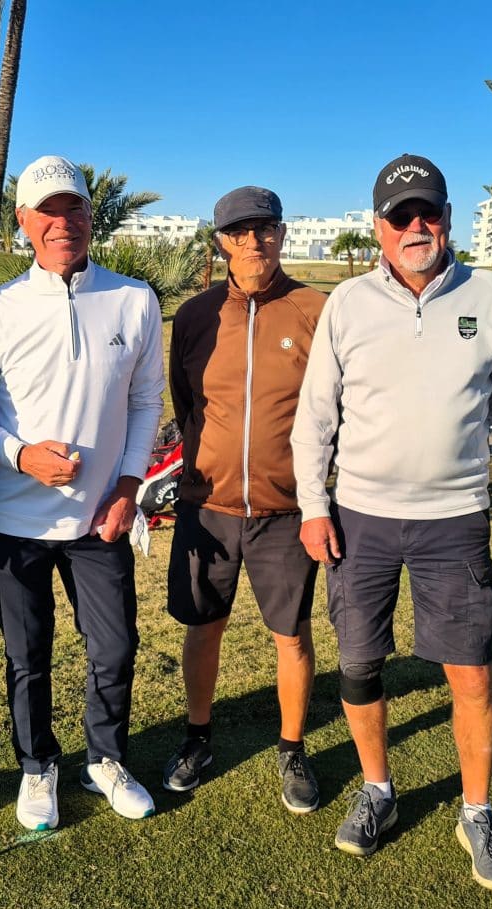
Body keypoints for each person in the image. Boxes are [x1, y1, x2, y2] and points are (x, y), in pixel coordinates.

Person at [292, 153, 492, 892]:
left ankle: (476, 810)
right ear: (379, 226)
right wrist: (313, 505)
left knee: (470, 669)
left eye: (427, 212)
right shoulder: (348, 303)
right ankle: (378, 789)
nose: (415, 227)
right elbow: (316, 416)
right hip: (361, 518)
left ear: (447, 217)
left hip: (454, 517)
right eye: (399, 215)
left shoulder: (491, 295)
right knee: (359, 663)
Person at [0, 155, 164, 831]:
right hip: (13, 518)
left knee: (114, 647)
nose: (62, 223)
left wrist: (129, 487)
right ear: (23, 221)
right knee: (27, 657)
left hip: (99, 519)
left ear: (90, 215)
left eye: (73, 208)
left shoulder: (134, 298)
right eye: (46, 212)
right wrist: (22, 455)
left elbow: (146, 401)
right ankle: (37, 766)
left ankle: (104, 759)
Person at [162, 186, 327, 812]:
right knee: (203, 628)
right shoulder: (196, 315)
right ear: (221, 242)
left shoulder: (315, 308)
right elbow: (186, 403)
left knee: (291, 634)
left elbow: (332, 406)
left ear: (282, 233)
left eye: (265, 228)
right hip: (209, 507)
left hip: (287, 510)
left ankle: (292, 747)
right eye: (239, 232)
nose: (254, 241)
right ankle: (197, 737)